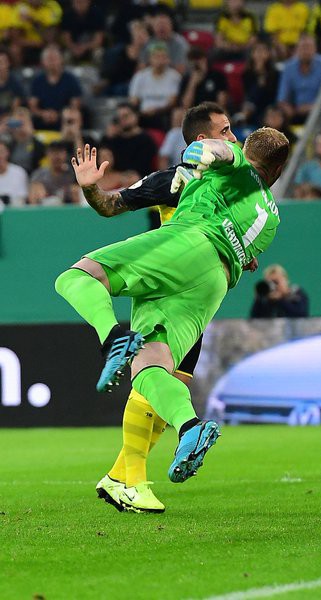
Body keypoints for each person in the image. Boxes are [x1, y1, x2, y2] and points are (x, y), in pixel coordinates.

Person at [57, 126, 288, 513]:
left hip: (185, 245)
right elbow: (247, 257)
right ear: (278, 171)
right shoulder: (272, 217)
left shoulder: (232, 161)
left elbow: (213, 152)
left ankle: (112, 338)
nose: (229, 137)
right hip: (213, 284)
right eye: (224, 130)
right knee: (150, 369)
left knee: (76, 278)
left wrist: (202, 153)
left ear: (246, 149)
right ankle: (190, 427)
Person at [75, 102, 238, 514]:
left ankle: (118, 478)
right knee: (151, 381)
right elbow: (110, 205)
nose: (233, 137)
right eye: (226, 130)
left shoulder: (228, 186)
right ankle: (131, 480)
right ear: (203, 140)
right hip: (167, 292)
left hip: (194, 302)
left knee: (167, 395)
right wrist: (91, 188)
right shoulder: (174, 180)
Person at [277, 34, 321, 125]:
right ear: (297, 50)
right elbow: (282, 98)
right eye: (303, 47)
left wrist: (312, 107)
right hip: (295, 112)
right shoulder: (288, 67)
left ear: (315, 49)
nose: (306, 51)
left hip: (319, 111)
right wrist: (288, 109)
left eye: (309, 47)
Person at [28, 45, 82, 130]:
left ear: (61, 60)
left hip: (64, 119)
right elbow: (33, 106)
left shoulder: (71, 80)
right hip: (42, 119)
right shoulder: (37, 81)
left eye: (55, 59)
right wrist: (43, 114)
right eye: (49, 59)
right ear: (43, 62)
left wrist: (59, 114)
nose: (52, 62)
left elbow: (75, 105)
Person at [128, 42, 181, 131]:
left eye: (163, 57)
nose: (160, 60)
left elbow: (173, 101)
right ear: (150, 59)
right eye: (157, 57)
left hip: (164, 114)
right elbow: (133, 99)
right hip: (143, 114)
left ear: (168, 59)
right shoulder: (140, 76)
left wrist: (156, 110)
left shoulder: (174, 76)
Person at [100, 103, 159, 177]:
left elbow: (140, 168)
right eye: (119, 117)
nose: (122, 119)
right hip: (114, 179)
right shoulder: (113, 139)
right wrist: (107, 137)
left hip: (139, 180)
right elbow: (102, 159)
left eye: (126, 116)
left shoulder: (145, 140)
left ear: (136, 116)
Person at [28, 140, 78, 205]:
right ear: (47, 154)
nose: (56, 156)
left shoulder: (73, 173)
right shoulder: (39, 174)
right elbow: (32, 199)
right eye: (53, 152)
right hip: (45, 207)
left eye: (60, 152)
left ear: (65, 154)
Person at [0, 139, 29, 207]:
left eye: (1, 152)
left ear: (7, 153)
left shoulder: (19, 172)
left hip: (15, 210)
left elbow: (23, 198)